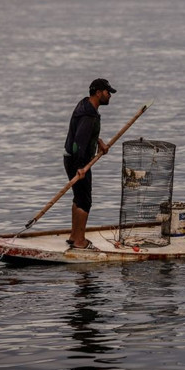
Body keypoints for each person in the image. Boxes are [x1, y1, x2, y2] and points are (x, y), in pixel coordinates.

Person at [63, 78, 116, 250]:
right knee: (85, 201)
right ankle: (80, 241)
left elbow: (86, 135)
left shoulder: (86, 105)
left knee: (79, 197)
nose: (110, 96)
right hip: (78, 160)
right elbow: (79, 141)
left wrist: (99, 142)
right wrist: (80, 167)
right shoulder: (88, 115)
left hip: (73, 158)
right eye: (108, 93)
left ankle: (73, 237)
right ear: (99, 92)